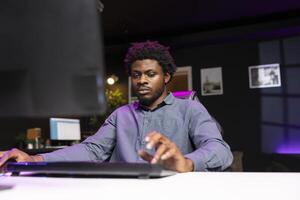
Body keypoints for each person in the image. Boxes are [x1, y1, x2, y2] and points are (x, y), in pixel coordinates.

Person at [0, 41, 233, 172]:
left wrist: (187, 163)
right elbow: (92, 150)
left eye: (150, 74)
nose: (142, 80)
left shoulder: (190, 109)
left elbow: (220, 150)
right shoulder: (121, 114)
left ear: (167, 77)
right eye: (136, 75)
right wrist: (35, 159)